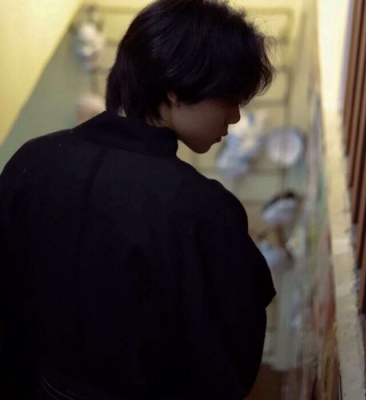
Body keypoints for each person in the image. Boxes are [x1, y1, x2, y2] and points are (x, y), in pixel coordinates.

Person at [0, 0, 276, 398]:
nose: (234, 117)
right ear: (177, 90)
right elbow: (227, 359)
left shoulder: (33, 160)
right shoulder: (199, 205)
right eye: (231, 98)